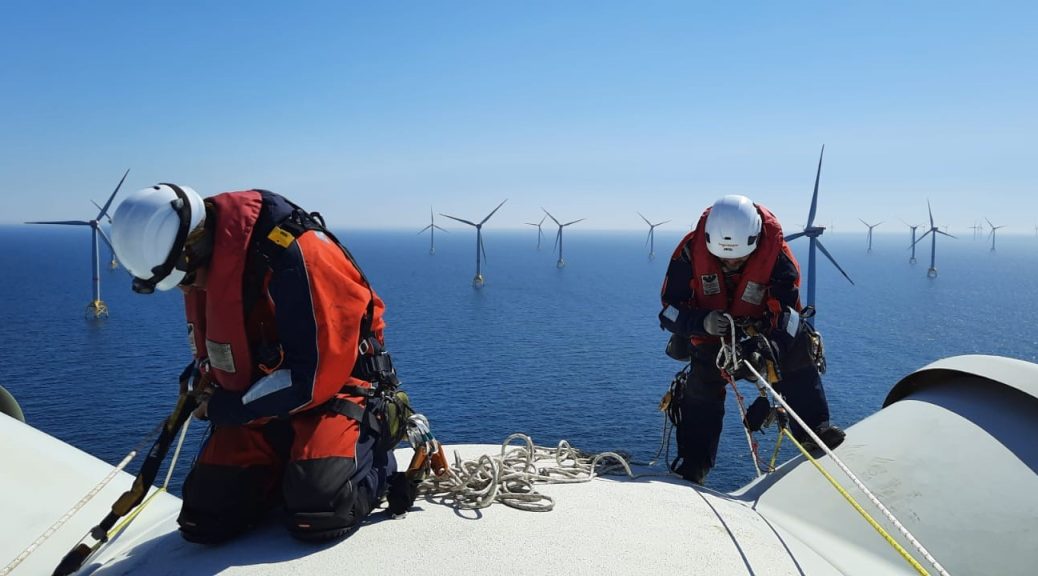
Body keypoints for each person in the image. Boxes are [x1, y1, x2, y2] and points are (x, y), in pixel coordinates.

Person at [111, 184, 407, 543]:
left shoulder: (296, 255)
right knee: (204, 517)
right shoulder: (210, 261)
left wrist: (228, 408)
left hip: (337, 390)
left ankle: (376, 462)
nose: (186, 291)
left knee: (320, 511)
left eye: (185, 280)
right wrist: (203, 379)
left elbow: (314, 377)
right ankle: (288, 468)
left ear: (194, 248)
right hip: (263, 398)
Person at [658, 194, 844, 485]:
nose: (732, 263)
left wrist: (770, 345)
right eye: (724, 258)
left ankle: (814, 430)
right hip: (709, 334)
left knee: (796, 353)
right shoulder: (688, 252)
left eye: (740, 258)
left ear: (757, 239)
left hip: (762, 330)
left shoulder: (777, 254)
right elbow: (669, 311)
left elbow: (788, 311)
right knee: (701, 388)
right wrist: (702, 323)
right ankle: (694, 466)